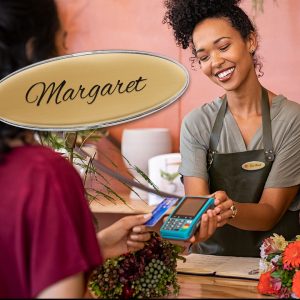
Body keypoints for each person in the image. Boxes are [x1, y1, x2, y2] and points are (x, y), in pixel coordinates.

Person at [0, 0, 153, 297]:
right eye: (62, 42)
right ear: (33, 51)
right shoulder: (45, 176)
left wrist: (94, 247)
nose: (65, 57)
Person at [163, 0, 300, 257]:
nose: (215, 61)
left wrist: (231, 208)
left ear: (250, 41)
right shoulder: (196, 124)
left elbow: (271, 212)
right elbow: (198, 208)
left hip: (275, 270)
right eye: (203, 57)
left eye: (223, 46)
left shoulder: (293, 120)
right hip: (209, 268)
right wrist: (188, 227)